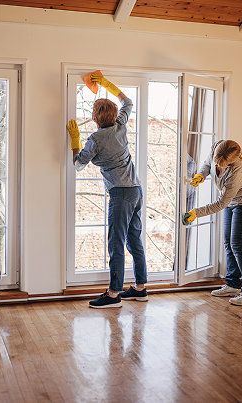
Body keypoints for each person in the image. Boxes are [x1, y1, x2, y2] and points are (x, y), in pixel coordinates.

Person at [67, 73, 148, 308]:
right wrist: (108, 85)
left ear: (95, 118)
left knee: (116, 243)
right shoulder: (121, 125)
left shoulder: (96, 138)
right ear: (113, 115)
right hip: (136, 189)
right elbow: (128, 102)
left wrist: (75, 141)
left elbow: (79, 164)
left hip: (120, 194)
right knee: (134, 239)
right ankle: (140, 288)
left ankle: (114, 294)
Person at [183, 140, 242, 305]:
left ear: (231, 162)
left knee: (239, 245)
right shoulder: (216, 147)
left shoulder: (238, 169)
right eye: (217, 162)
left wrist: (196, 212)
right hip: (233, 201)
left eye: (223, 165)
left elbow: (221, 203)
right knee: (228, 242)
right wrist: (201, 175)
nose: (218, 166)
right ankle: (233, 284)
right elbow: (207, 163)